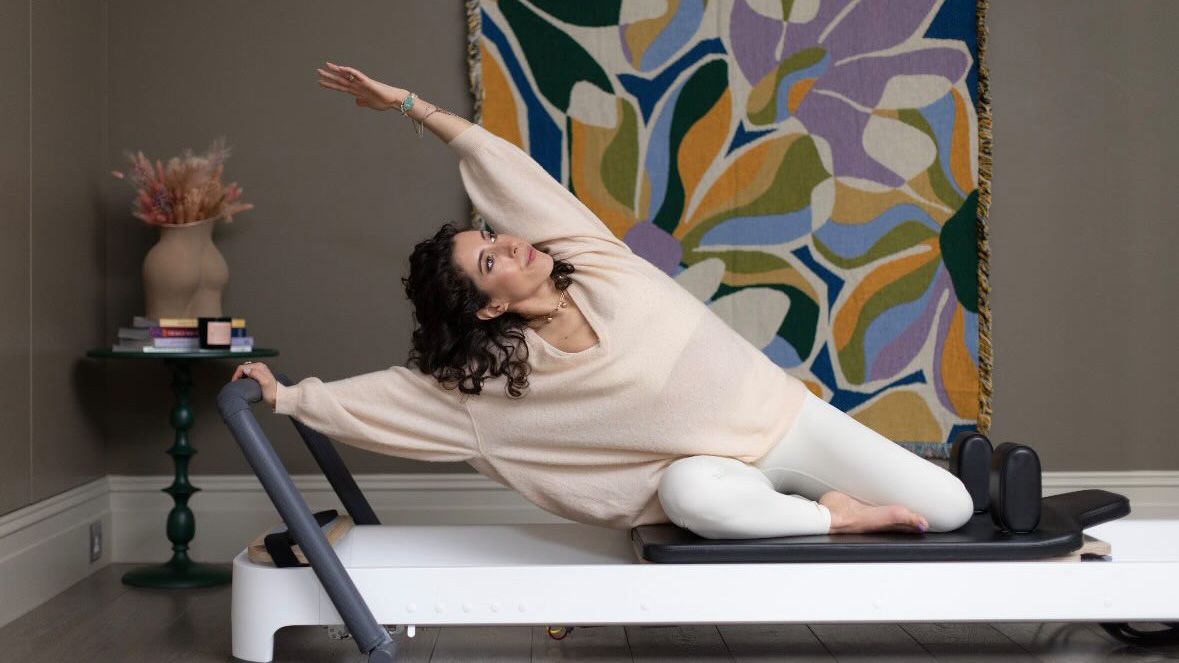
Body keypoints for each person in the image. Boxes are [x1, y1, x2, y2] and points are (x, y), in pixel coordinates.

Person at [229, 61, 974, 540]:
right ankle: (831, 517)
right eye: (489, 259)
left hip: (788, 422)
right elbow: (388, 400)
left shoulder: (590, 258)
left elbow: (498, 164)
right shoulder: (492, 386)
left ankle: (939, 465)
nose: (510, 242)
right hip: (717, 477)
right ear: (487, 307)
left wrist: (410, 105)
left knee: (951, 511)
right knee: (693, 497)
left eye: (492, 234)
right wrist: (287, 395)